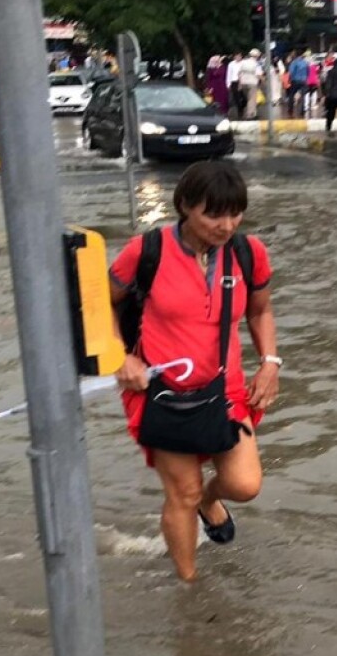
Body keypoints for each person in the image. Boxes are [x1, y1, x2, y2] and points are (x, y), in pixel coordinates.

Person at [110, 162, 279, 583]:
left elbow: (260, 312)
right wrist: (119, 357)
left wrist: (270, 363)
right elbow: (101, 303)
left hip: (225, 391)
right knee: (180, 493)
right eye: (213, 215)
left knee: (244, 485)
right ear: (185, 206)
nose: (226, 225)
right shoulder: (145, 251)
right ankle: (189, 588)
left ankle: (211, 500)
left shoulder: (248, 253)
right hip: (163, 392)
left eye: (235, 213)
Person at [237, 48, 262, 119]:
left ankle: (251, 113)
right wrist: (264, 80)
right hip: (252, 83)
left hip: (244, 82)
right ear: (256, 56)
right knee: (252, 99)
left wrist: (239, 83)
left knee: (248, 99)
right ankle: (250, 115)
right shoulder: (256, 64)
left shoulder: (243, 62)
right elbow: (258, 74)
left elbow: (239, 73)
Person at [285, 49, 309, 117]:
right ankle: (302, 110)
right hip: (303, 81)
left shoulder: (294, 62)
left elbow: (291, 72)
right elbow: (308, 71)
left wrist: (290, 79)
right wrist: (306, 78)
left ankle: (290, 110)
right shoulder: (305, 62)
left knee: (291, 95)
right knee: (303, 96)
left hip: (295, 80)